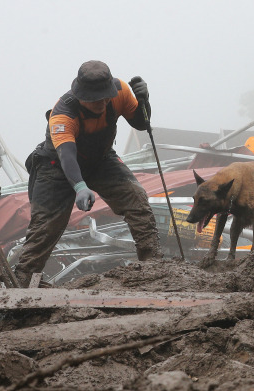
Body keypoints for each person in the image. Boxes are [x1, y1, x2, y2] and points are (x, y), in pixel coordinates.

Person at [14, 60, 163, 287]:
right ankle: (24, 280)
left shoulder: (120, 91)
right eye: (95, 99)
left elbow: (142, 124)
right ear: (81, 95)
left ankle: (152, 265)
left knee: (136, 197)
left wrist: (145, 101)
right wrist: (79, 186)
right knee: (46, 225)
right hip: (57, 166)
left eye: (105, 97)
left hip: (101, 160)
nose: (102, 103)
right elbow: (67, 156)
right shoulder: (62, 115)